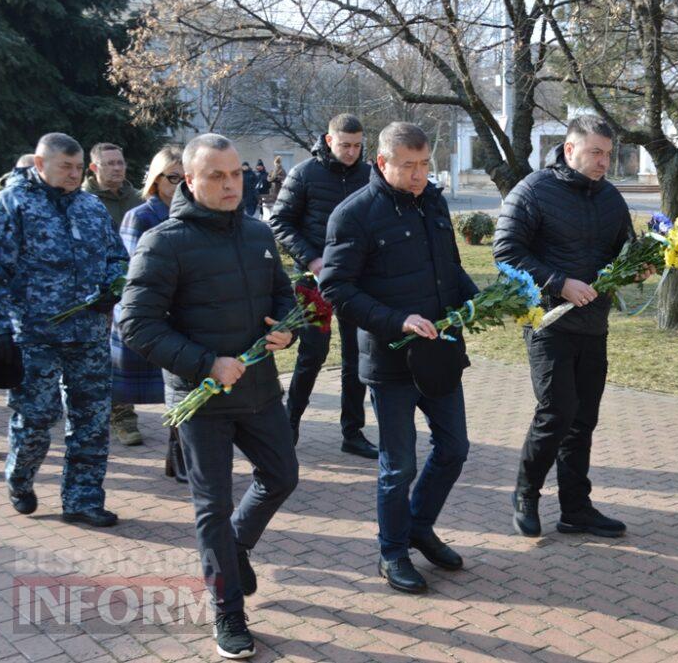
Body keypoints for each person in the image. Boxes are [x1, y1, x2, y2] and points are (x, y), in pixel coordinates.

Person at [119, 134, 298, 659]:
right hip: (203, 399)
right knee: (212, 508)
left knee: (282, 477)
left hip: (261, 391)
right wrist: (206, 364)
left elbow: (283, 298)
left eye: (236, 174)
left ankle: (236, 547)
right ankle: (228, 613)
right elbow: (135, 323)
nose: (229, 184)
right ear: (189, 180)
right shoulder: (164, 241)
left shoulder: (258, 233)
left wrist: (288, 329)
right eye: (216, 176)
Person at [321, 122, 477, 594]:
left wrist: (476, 299)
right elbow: (336, 289)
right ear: (382, 162)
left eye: (425, 164)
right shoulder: (354, 215)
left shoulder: (433, 200)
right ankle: (393, 553)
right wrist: (397, 320)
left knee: (454, 448)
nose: (419, 174)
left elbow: (449, 266)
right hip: (390, 361)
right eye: (408, 165)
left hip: (441, 352)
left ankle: (418, 526)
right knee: (398, 466)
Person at [494, 115, 647, 540]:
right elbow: (506, 252)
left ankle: (576, 508)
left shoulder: (611, 198)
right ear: (569, 149)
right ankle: (526, 493)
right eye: (595, 152)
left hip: (593, 326)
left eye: (608, 154)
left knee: (584, 420)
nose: (603, 162)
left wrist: (639, 266)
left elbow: (625, 251)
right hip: (549, 323)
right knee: (556, 412)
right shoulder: (533, 191)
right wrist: (559, 283)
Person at [0, 132, 128, 525]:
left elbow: (118, 256)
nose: (73, 174)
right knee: (35, 420)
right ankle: (19, 477)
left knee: (92, 421)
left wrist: (111, 289)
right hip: (34, 336)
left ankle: (83, 500)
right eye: (65, 166)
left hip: (89, 335)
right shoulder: (8, 206)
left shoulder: (91, 207)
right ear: (39, 163)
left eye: (79, 167)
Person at [269, 113, 376, 458]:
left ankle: (353, 432)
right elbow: (281, 223)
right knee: (311, 354)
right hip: (314, 284)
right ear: (329, 141)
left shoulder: (369, 175)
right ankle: (289, 426)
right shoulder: (305, 174)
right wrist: (312, 260)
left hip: (356, 283)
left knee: (355, 357)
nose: (351, 152)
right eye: (345, 145)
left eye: (357, 145)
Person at [110, 146, 183, 472]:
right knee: (171, 389)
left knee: (183, 392)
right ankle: (124, 421)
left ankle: (177, 456)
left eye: (186, 177)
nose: (180, 184)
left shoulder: (193, 212)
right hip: (155, 318)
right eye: (172, 177)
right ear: (156, 180)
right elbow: (131, 275)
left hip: (187, 316)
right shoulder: (140, 216)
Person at [82, 142, 144, 229]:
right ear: (94, 168)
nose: (117, 168)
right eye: (110, 163)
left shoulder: (140, 198)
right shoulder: (82, 201)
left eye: (120, 163)